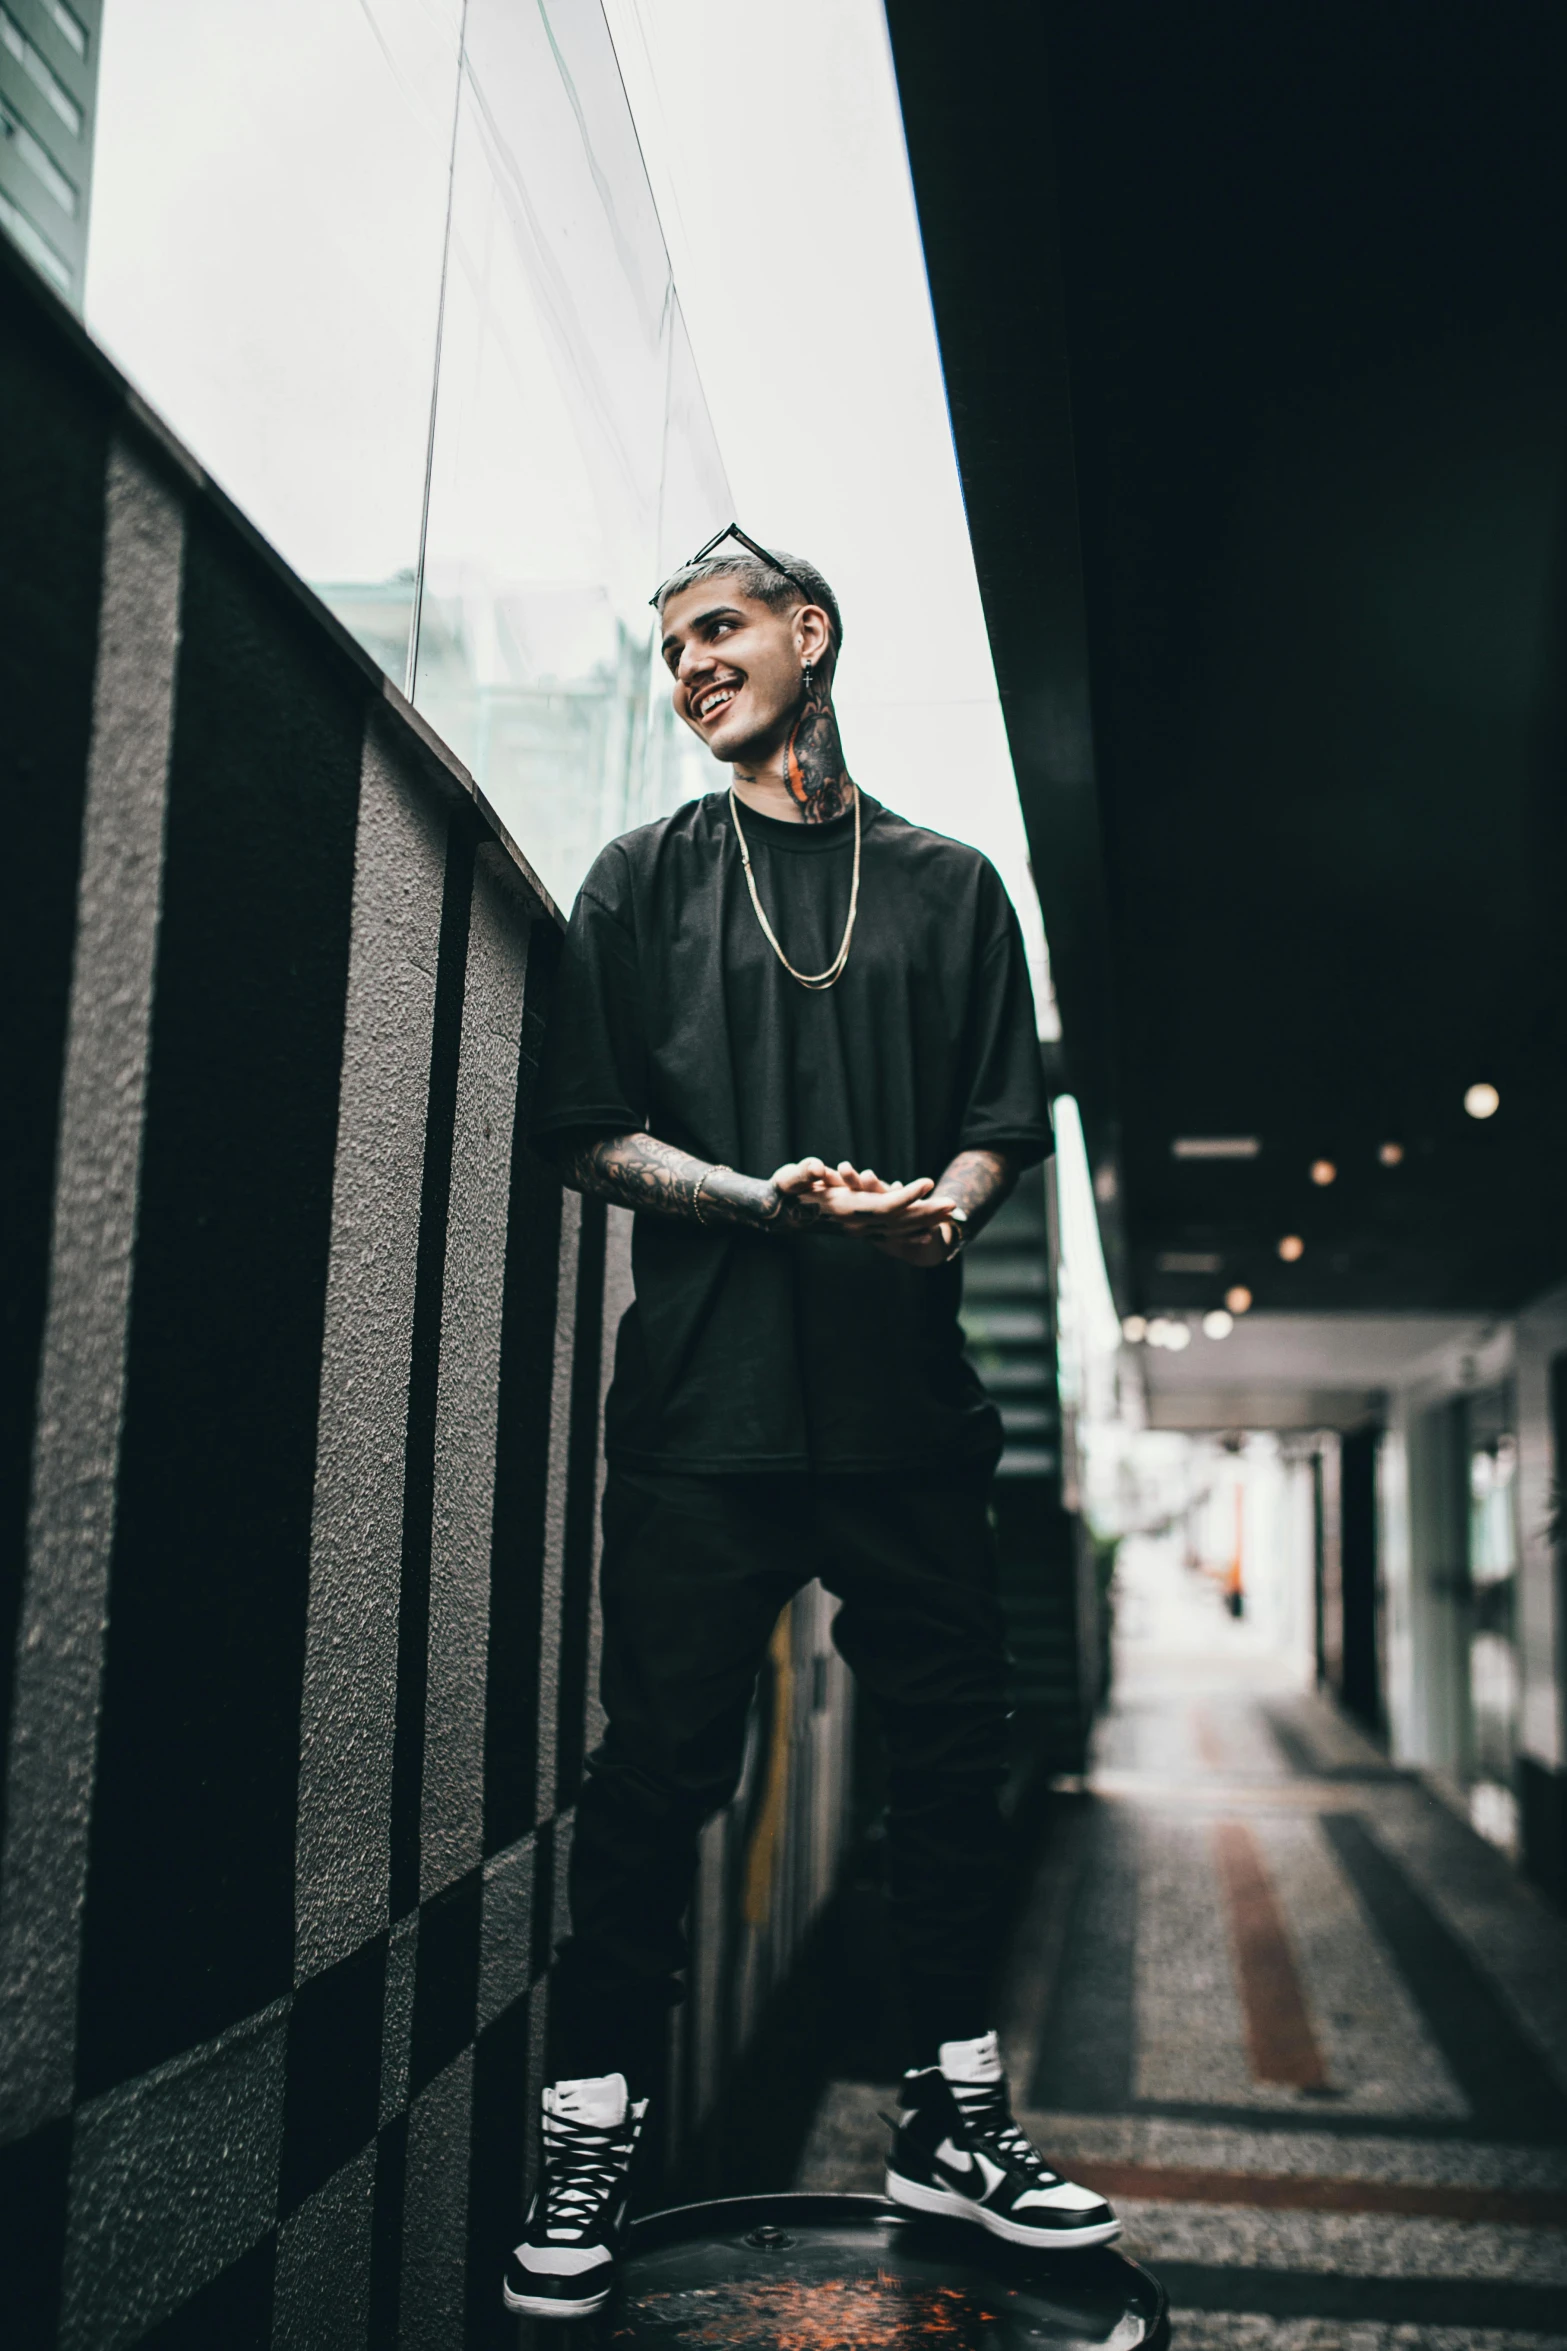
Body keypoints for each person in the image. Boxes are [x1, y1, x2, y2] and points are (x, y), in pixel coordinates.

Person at [503, 529, 1120, 2319]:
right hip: (706, 1420)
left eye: (717, 627)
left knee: (946, 1761)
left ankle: (951, 2116)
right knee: (656, 1780)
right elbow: (590, 1136)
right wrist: (761, 1199)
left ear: (807, 631)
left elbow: (1005, 1117)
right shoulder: (636, 880)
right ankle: (588, 2123)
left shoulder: (949, 886)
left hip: (909, 1417)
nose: (690, 663)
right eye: (669, 648)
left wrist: (946, 1202)